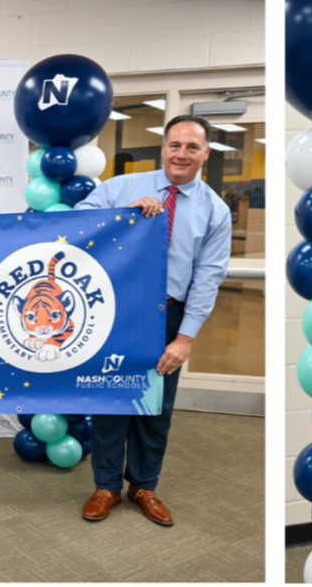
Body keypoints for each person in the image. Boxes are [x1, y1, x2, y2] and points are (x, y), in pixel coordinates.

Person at [71, 114, 234, 527]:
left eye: (192, 147)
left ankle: (144, 485)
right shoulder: (120, 188)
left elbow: (208, 276)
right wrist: (121, 216)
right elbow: (75, 222)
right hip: (118, 309)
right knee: (113, 398)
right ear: (163, 148)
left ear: (205, 154)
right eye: (175, 145)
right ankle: (106, 485)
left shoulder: (214, 211)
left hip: (169, 312)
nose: (182, 154)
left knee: (155, 404)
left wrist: (185, 338)